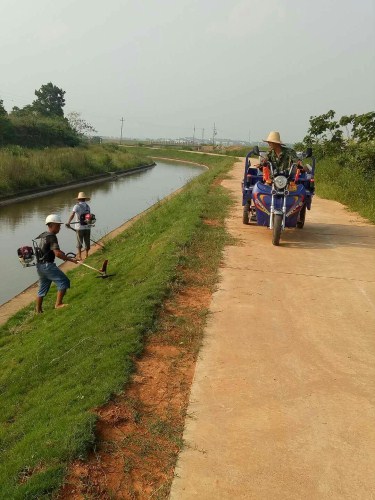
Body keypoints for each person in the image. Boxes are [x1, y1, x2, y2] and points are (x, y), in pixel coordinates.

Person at [35, 214, 79, 313]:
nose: (59, 227)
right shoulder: (52, 237)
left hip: (40, 266)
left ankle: (38, 311)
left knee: (42, 289)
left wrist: (62, 253)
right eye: (58, 225)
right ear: (51, 225)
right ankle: (58, 304)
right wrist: (71, 260)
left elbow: (51, 249)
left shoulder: (44, 235)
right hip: (48, 266)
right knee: (64, 281)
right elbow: (57, 253)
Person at [66, 191, 92, 260]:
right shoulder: (87, 206)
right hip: (87, 227)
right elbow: (89, 216)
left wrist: (68, 222)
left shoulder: (76, 206)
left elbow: (72, 214)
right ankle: (86, 254)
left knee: (79, 242)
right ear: (84, 199)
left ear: (78, 199)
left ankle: (80, 256)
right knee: (87, 241)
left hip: (79, 227)